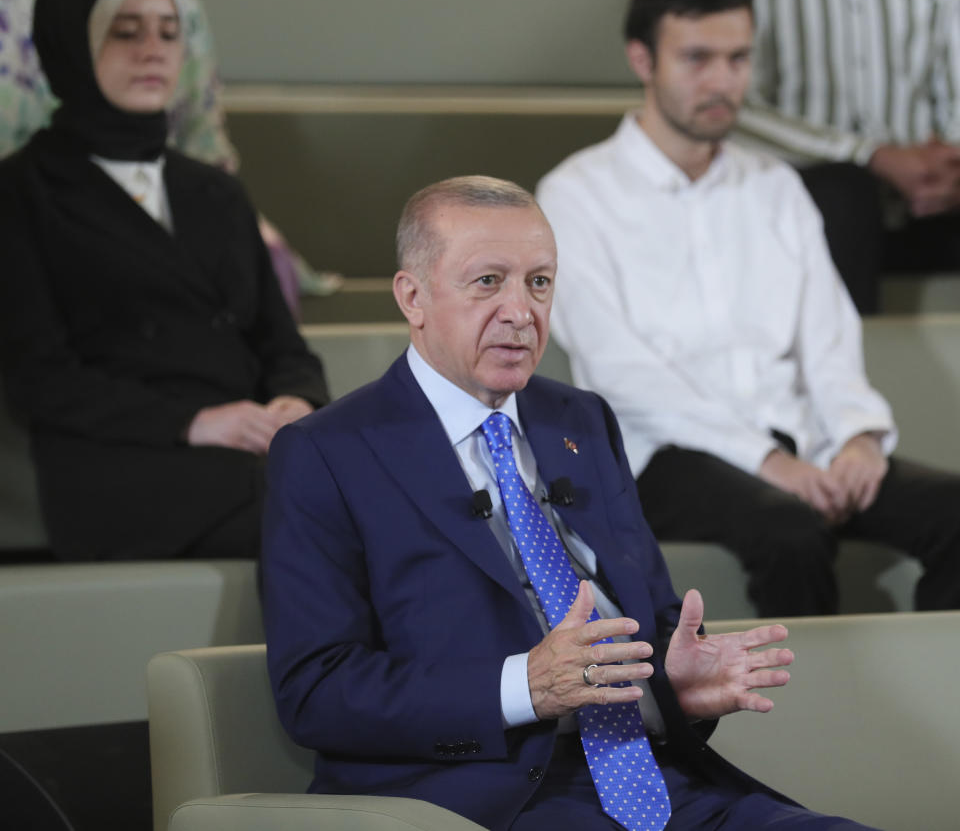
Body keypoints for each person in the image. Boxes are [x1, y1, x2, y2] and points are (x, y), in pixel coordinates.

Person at [262, 174, 879, 830]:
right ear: (412, 297)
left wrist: (675, 687)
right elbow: (317, 692)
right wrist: (523, 685)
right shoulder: (326, 453)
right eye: (487, 282)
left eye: (539, 282)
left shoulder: (581, 421)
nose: (521, 311)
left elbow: (656, 621)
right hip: (477, 801)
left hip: (660, 785)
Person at [536, 0, 960, 618]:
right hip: (662, 455)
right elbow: (623, 374)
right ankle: (807, 719)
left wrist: (855, 438)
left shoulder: (776, 187)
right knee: (788, 529)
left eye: (737, 59)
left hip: (796, 436)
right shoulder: (575, 195)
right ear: (643, 60)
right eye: (698, 59)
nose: (722, 82)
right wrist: (770, 464)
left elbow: (828, 341)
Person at [0, 0, 329, 561]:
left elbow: (282, 345)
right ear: (68, 43)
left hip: (243, 453)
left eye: (169, 32)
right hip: (119, 467)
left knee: (374, 488)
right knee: (319, 510)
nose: (153, 50)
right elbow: (39, 378)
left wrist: (295, 402)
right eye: (125, 32)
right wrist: (195, 422)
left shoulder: (215, 189)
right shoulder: (20, 193)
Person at [691, 0, 960, 314]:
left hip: (926, 195)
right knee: (843, 195)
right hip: (801, 195)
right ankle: (848, 376)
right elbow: (726, 103)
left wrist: (948, 166)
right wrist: (871, 155)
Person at [0, 0, 236, 168]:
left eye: (167, 34)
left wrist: (222, 203)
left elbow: (203, 142)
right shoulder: (8, 7)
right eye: (125, 32)